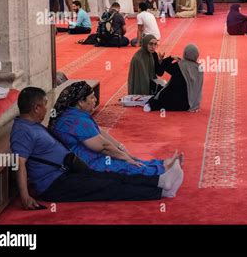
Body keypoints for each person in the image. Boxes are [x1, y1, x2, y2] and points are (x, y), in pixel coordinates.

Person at [11, 87, 184, 209]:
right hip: (54, 184)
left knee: (113, 178)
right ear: (36, 108)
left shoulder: (32, 124)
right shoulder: (22, 131)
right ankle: (160, 190)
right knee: (109, 187)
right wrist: (25, 197)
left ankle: (161, 183)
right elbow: (20, 164)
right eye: (44, 105)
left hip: (66, 172)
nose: (47, 109)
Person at [49, 81, 182, 177]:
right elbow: (103, 147)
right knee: (124, 165)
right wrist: (125, 157)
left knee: (129, 158)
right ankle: (161, 171)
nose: (95, 100)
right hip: (85, 162)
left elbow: (99, 132)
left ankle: (161, 164)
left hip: (85, 156)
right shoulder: (76, 120)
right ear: (81, 102)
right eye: (91, 97)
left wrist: (121, 148)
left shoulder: (75, 114)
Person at [144, 44, 204, 113]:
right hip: (189, 104)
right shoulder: (199, 68)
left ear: (185, 53)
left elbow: (164, 66)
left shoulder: (180, 65)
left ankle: (150, 106)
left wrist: (171, 58)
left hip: (174, 102)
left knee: (158, 96)